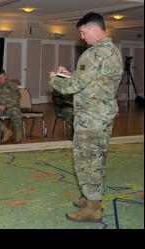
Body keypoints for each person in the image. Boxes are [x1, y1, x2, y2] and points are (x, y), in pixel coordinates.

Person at [48, 12, 123, 222]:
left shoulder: (92, 54)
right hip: (105, 115)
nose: (82, 37)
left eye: (83, 32)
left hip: (90, 118)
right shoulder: (114, 52)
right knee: (97, 158)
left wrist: (55, 80)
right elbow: (93, 82)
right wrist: (71, 75)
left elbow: (73, 87)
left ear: (93, 29)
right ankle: (91, 197)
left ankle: (93, 209)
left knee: (87, 160)